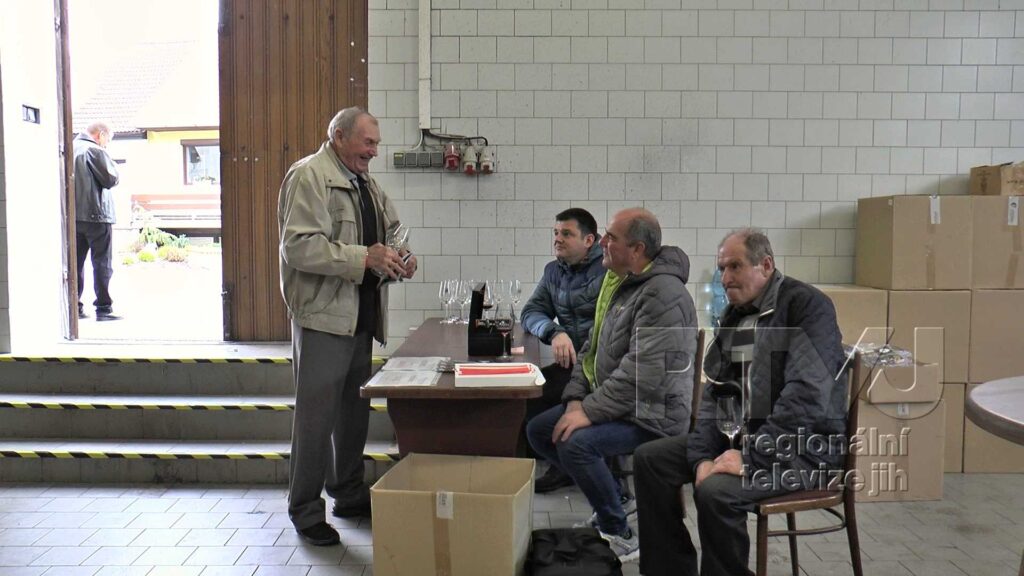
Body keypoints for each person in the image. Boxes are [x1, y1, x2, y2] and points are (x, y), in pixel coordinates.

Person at [633, 228, 846, 576]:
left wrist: (751, 457)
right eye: (722, 268)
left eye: (735, 267)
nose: (725, 278)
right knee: (650, 459)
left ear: (766, 265)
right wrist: (702, 457)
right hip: (746, 437)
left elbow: (807, 397)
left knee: (716, 491)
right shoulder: (736, 315)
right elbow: (715, 392)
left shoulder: (806, 306)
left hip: (804, 449)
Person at [278, 107, 416, 546]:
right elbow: (299, 247)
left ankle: (348, 493)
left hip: (360, 317)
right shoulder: (310, 176)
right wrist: (364, 258)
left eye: (376, 144)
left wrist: (401, 256)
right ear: (339, 136)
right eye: (367, 143)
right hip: (323, 318)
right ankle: (305, 511)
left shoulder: (365, 183)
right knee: (316, 421)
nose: (374, 152)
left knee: (352, 417)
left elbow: (392, 232)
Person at [526, 207, 697, 562]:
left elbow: (643, 375)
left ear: (636, 249)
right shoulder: (622, 282)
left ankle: (620, 533)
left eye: (611, 237)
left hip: (653, 412)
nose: (602, 242)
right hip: (620, 402)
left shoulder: (663, 294)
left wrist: (587, 412)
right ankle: (617, 498)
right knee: (539, 431)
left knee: (575, 444)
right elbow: (591, 348)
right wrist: (577, 399)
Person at [520, 207, 605, 493]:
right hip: (573, 365)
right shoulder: (554, 271)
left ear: (589, 240)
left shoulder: (608, 270)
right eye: (556, 233)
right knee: (529, 395)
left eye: (567, 234)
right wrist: (554, 332)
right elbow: (531, 312)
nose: (558, 239)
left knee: (544, 399)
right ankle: (562, 465)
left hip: (602, 367)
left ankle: (582, 467)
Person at [73, 121, 121, 321]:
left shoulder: (70, 148)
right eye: (107, 139)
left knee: (75, 264)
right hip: (98, 215)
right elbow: (111, 179)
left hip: (73, 218)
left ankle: (75, 308)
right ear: (100, 134)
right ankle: (103, 309)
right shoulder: (95, 151)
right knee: (102, 263)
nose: (106, 144)